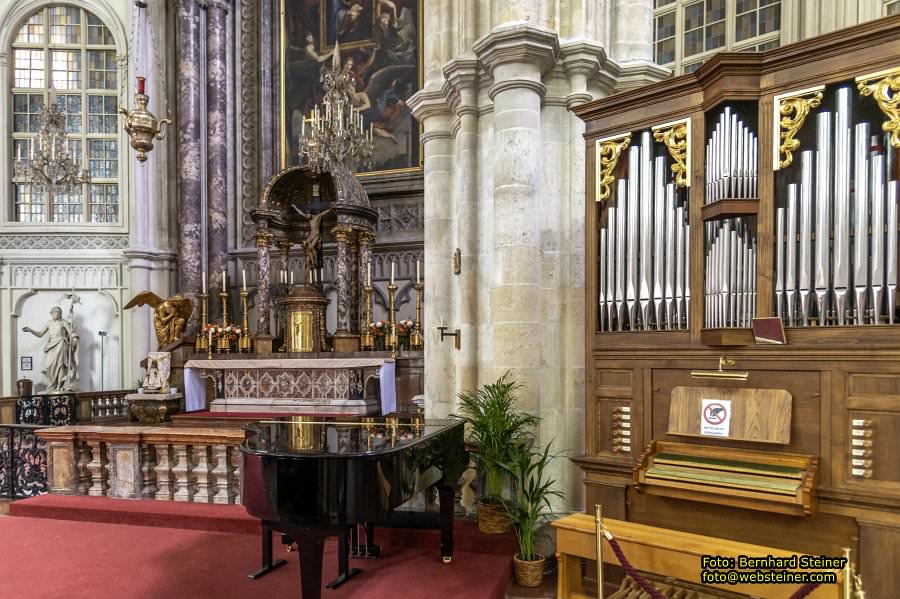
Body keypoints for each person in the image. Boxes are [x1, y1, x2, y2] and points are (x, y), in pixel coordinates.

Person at [22, 306, 79, 393]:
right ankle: (53, 385)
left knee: (60, 365)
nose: (58, 313)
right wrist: (30, 330)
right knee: (49, 365)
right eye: (56, 312)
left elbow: (71, 333)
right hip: (52, 346)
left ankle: (59, 385)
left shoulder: (64, 322)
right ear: (51, 313)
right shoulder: (49, 323)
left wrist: (74, 339)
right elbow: (40, 333)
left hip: (61, 344)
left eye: (59, 312)